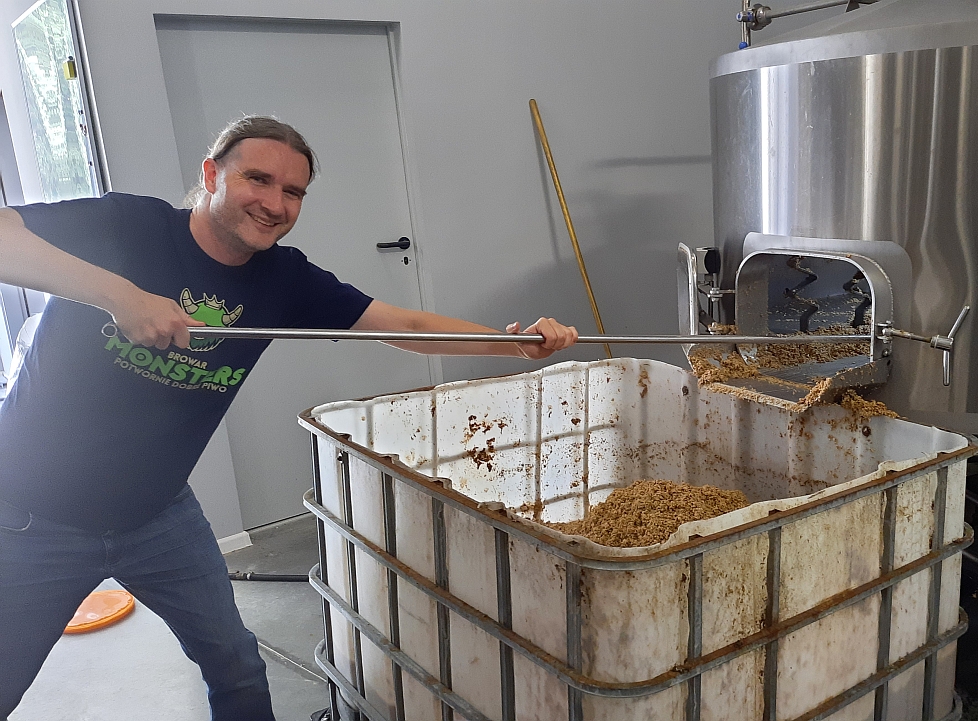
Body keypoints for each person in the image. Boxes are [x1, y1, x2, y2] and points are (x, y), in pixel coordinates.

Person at [0, 116, 578, 719]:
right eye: (258, 179)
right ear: (212, 174)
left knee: (237, 667)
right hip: (28, 517)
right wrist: (120, 295)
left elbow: (404, 325)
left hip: (156, 514)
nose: (275, 204)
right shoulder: (130, 225)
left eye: (293, 191)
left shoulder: (284, 278)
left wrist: (516, 344)